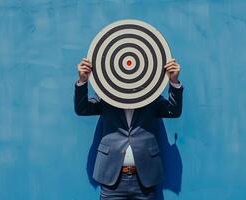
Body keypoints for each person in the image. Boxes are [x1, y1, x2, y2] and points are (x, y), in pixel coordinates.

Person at [74, 57, 183, 200]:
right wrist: (82, 81)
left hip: (145, 179)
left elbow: (173, 111)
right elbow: (82, 109)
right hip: (112, 179)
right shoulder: (105, 96)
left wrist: (174, 82)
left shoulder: (152, 97)